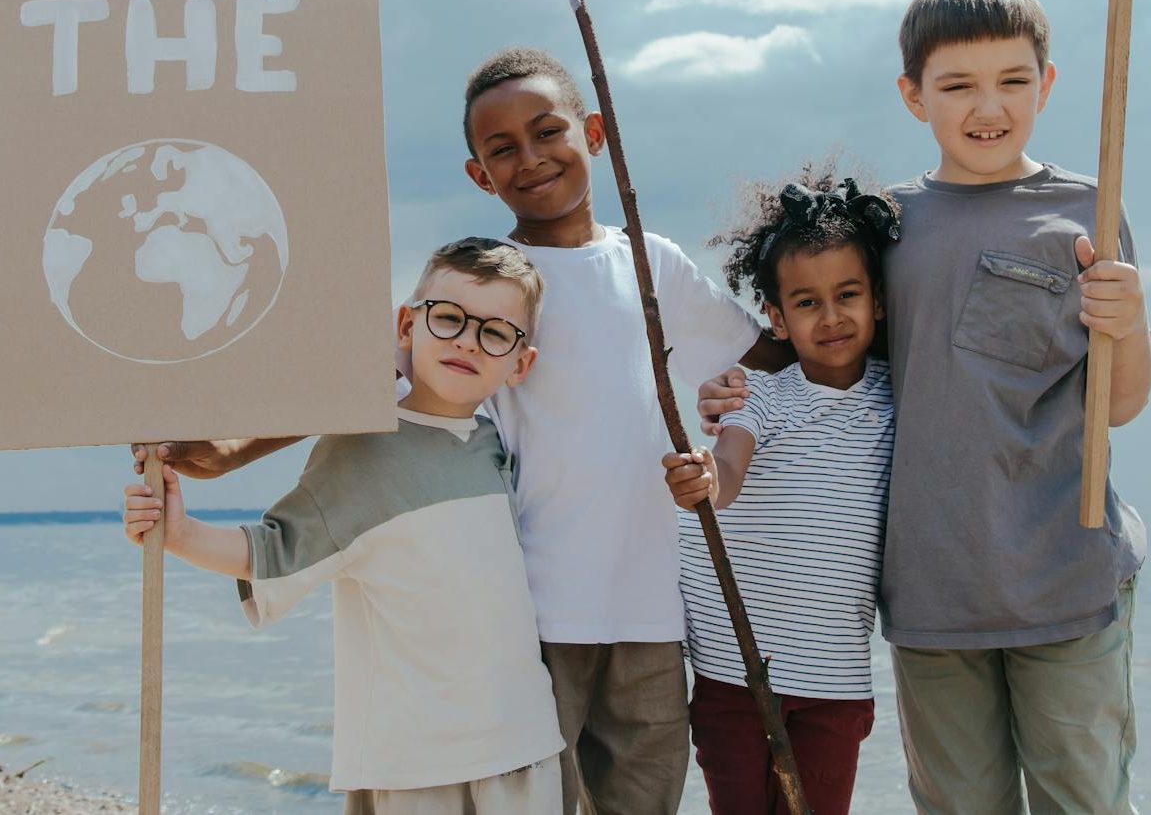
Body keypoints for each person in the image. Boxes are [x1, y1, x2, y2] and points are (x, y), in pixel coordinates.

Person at [136, 47, 790, 815]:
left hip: (650, 609)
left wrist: (757, 391)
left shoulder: (651, 264)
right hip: (533, 615)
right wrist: (228, 451)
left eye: (548, 132)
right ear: (479, 174)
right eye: (501, 148)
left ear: (595, 130)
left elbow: (772, 358)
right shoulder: (489, 286)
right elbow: (366, 382)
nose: (531, 157)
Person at [695, 0, 1151, 815]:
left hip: (1066, 575)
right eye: (957, 85)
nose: (989, 106)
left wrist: (1126, 318)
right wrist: (737, 381)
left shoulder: (1091, 207)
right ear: (913, 96)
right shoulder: (889, 226)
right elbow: (819, 341)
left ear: (1046, 83)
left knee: (1081, 799)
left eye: (1013, 80)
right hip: (930, 590)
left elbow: (1118, 403)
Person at [124, 238, 564, 815]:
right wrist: (178, 533)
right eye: (450, 318)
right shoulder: (361, 452)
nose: (466, 341)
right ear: (406, 326)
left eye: (495, 333)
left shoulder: (494, 447)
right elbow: (274, 550)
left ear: (519, 364)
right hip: (415, 762)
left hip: (523, 746)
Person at [662, 171, 900, 815]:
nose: (831, 317)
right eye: (806, 302)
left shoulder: (901, 395)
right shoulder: (757, 393)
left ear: (878, 300)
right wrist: (706, 480)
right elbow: (729, 468)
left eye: (847, 294)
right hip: (732, 669)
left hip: (837, 679)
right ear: (775, 316)